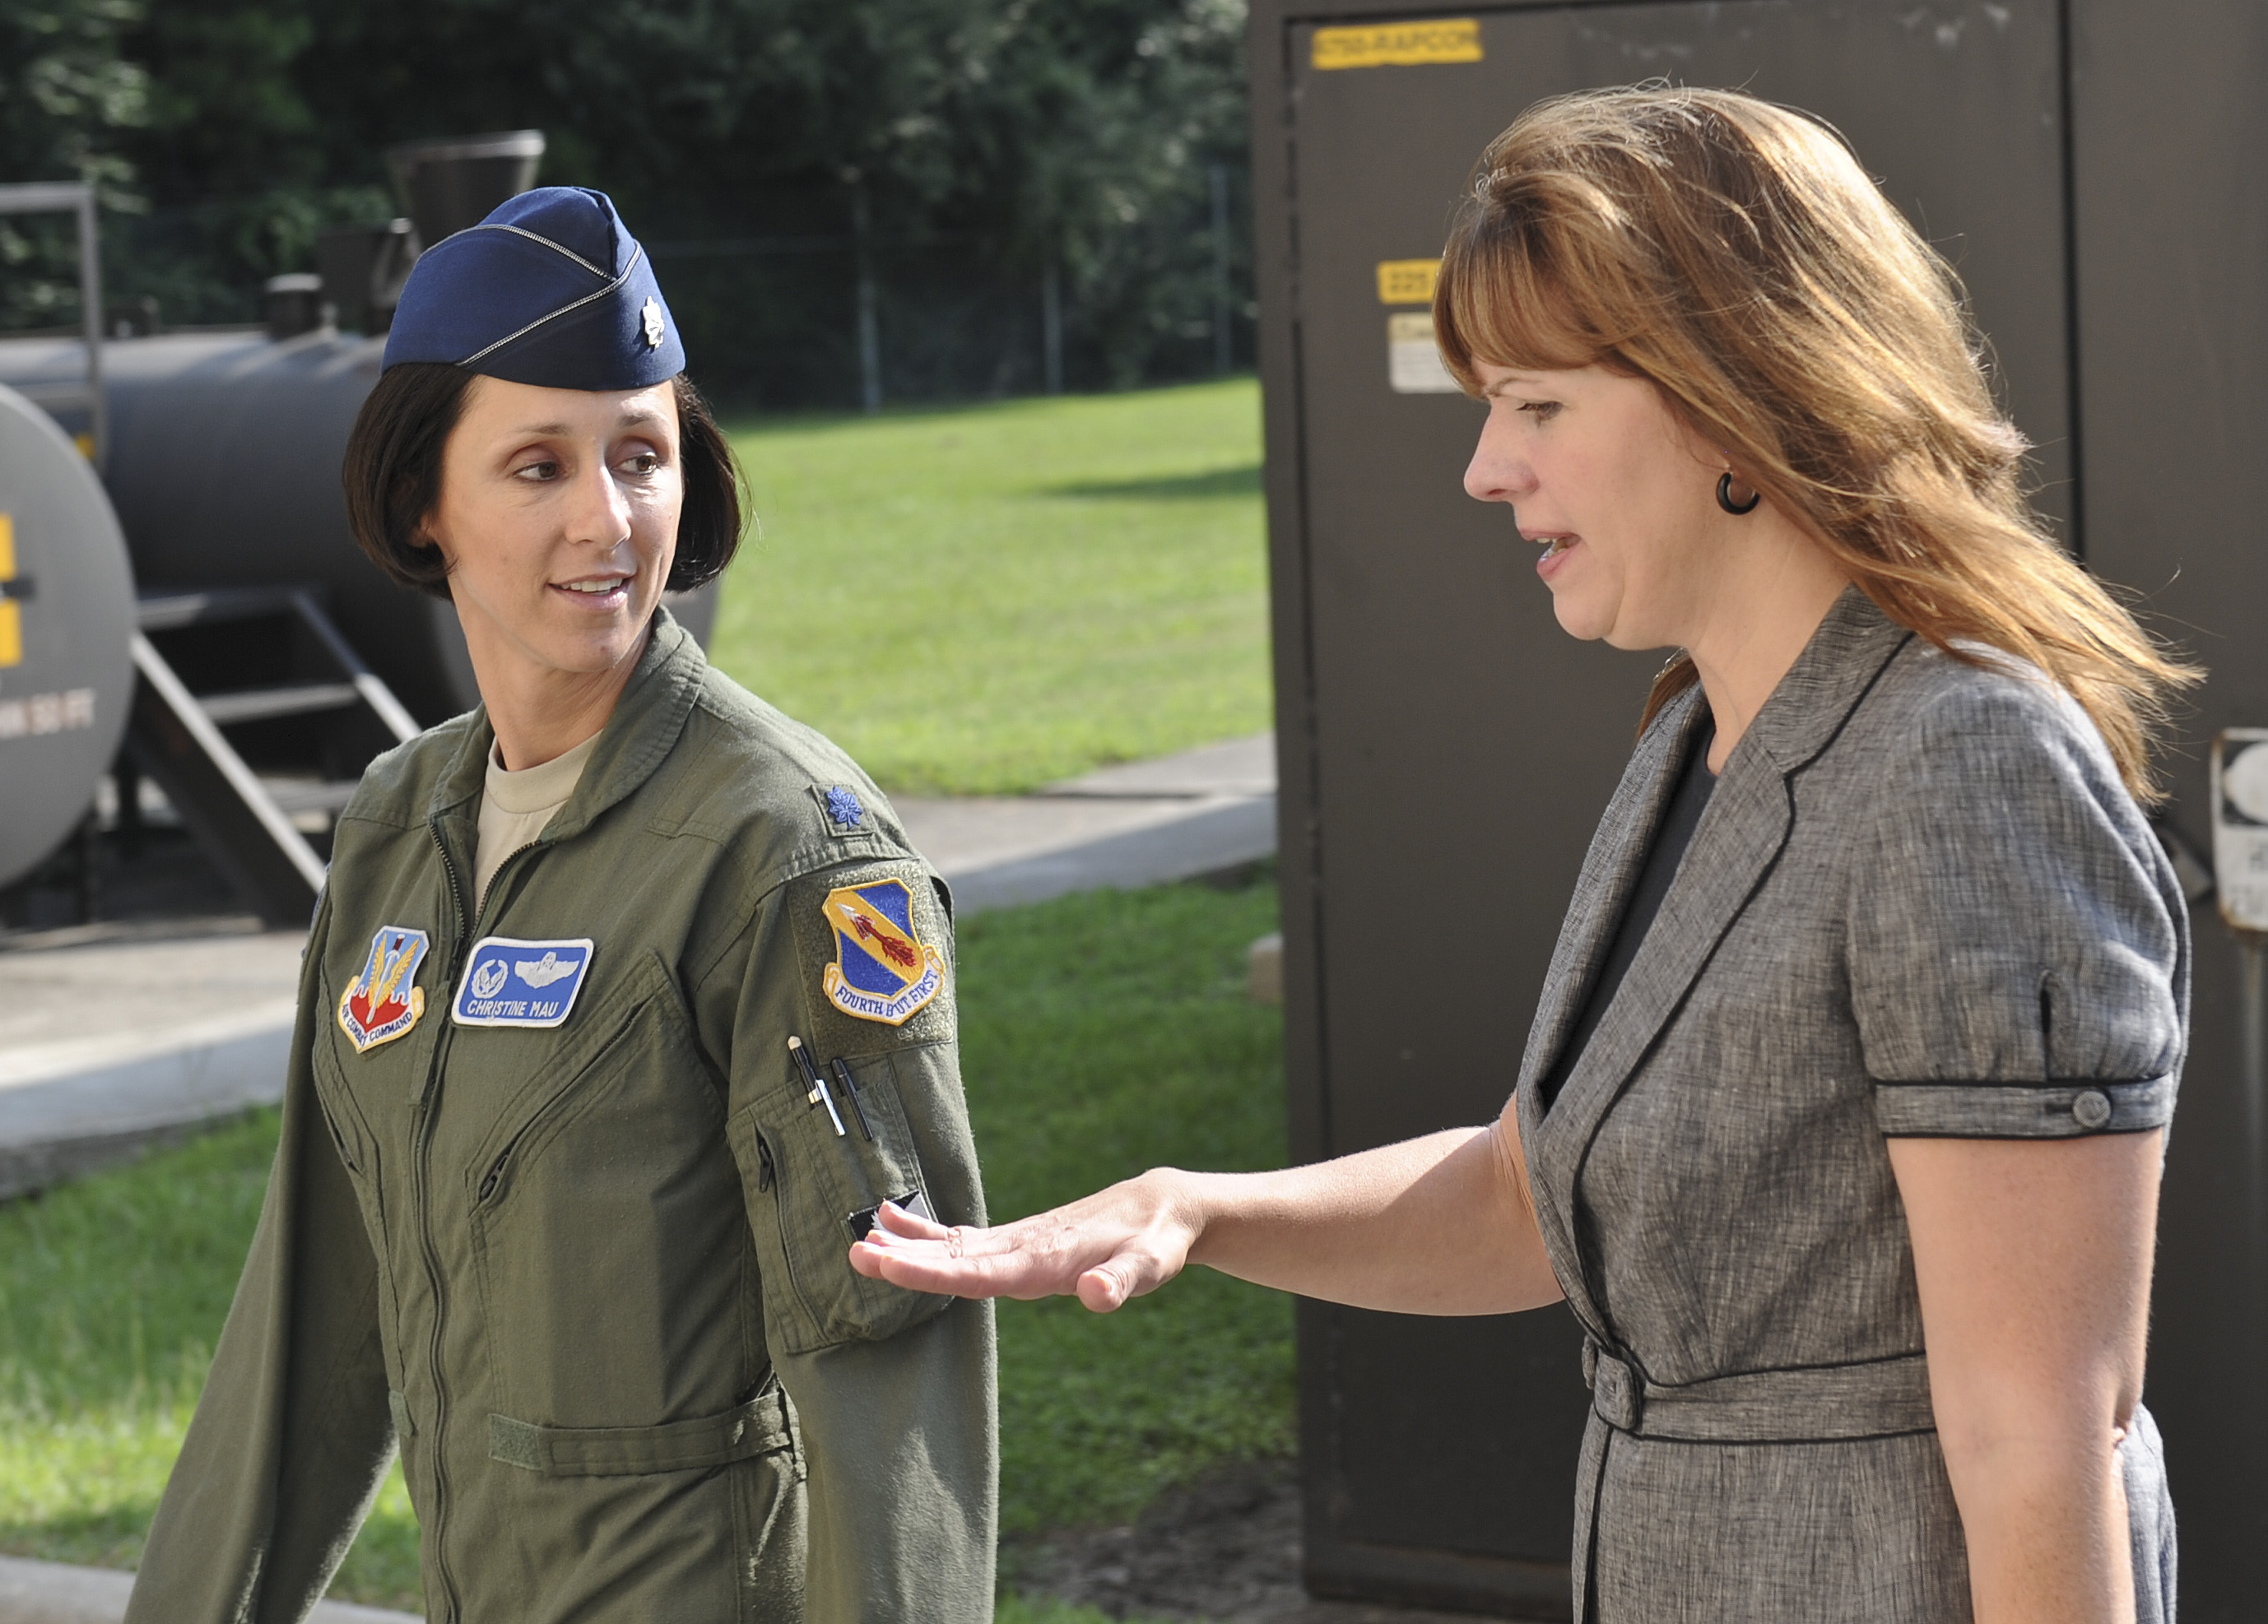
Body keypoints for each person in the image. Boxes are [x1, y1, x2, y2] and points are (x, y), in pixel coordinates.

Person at [853, 86, 2191, 1624]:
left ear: (1739, 393)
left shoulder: (1966, 764)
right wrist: (1192, 1205)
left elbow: (2041, 1434)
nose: (1487, 468)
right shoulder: (1695, 734)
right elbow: (1531, 1195)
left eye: (1538, 405)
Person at [127, 187, 996, 1623]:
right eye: (537, 465)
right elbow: (316, 1306)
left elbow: (889, 1348)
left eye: (640, 455)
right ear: (426, 500)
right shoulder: (397, 830)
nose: (607, 517)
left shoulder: (786, 850)